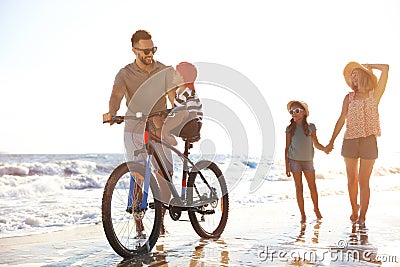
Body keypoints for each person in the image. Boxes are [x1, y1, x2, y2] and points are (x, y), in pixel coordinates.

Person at [103, 29, 176, 235]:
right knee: (138, 173)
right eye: (144, 50)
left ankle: (160, 220)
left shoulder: (163, 71)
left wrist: (175, 106)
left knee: (166, 174)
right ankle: (139, 223)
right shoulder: (124, 73)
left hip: (158, 124)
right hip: (134, 125)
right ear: (134, 50)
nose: (149, 54)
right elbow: (116, 95)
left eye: (152, 49)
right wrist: (112, 112)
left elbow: (173, 95)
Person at [326, 62, 389, 227]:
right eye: (351, 75)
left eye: (355, 73)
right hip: (350, 141)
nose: (352, 77)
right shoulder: (349, 97)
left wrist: (369, 66)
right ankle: (354, 208)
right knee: (351, 180)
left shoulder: (375, 94)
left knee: (363, 181)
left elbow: (386, 68)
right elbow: (341, 119)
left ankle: (362, 216)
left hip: (369, 141)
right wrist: (332, 140)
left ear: (363, 74)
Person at [285, 100, 325, 223]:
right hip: (294, 161)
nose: (294, 113)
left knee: (312, 187)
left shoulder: (311, 127)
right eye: (292, 111)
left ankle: (316, 209)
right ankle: (303, 214)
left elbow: (316, 144)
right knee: (299, 188)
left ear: (304, 112)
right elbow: (287, 148)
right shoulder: (290, 129)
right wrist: (287, 166)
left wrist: (325, 148)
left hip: (308, 161)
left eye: (297, 111)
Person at [159, 62, 203, 146]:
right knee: (158, 117)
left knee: (183, 112)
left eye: (176, 74)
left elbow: (193, 114)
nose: (174, 76)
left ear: (183, 78)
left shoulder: (189, 94)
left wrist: (171, 121)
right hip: (181, 123)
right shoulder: (177, 93)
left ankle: (165, 133)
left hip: (192, 126)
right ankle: (164, 134)